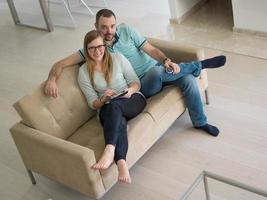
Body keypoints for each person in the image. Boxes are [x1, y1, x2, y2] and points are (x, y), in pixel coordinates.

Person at [44, 9, 226, 137]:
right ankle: (198, 65)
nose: (109, 31)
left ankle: (200, 122)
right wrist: (52, 78)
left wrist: (166, 61)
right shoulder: (94, 48)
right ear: (96, 26)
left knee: (187, 80)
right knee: (156, 73)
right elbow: (60, 63)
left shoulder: (127, 31)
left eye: (112, 26)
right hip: (140, 86)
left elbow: (151, 50)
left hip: (159, 68)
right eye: (104, 27)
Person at [78, 30, 146, 183]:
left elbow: (136, 83)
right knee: (116, 114)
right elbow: (93, 103)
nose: (97, 51)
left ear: (105, 45)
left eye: (100, 46)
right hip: (107, 108)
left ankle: (109, 150)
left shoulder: (118, 58)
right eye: (92, 48)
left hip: (132, 100)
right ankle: (121, 162)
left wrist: (129, 91)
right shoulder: (83, 72)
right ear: (86, 49)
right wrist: (102, 99)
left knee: (114, 106)